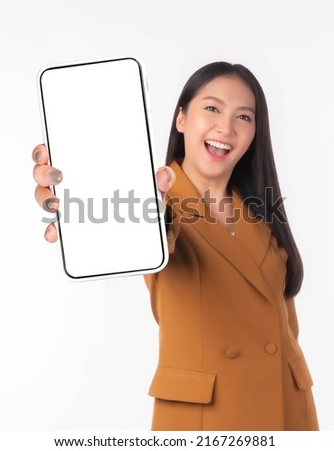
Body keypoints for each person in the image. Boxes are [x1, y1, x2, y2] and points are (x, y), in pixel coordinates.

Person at [32, 61, 319, 431]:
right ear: (181, 118)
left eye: (244, 117)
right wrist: (81, 197)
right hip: (207, 419)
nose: (226, 128)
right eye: (212, 108)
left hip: (289, 411)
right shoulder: (150, 202)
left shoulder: (262, 211)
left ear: (254, 133)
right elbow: (150, 232)